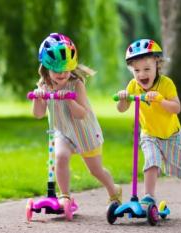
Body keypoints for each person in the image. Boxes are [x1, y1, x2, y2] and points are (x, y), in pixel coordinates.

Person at [116, 39, 181, 209]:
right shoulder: (133, 86)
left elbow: (177, 108)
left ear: (157, 65)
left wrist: (160, 100)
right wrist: (123, 98)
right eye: (136, 70)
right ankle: (149, 197)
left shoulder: (166, 84)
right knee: (151, 161)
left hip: (172, 136)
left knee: (179, 171)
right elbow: (122, 109)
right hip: (149, 134)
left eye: (146, 69)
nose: (141, 74)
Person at [32, 32, 122, 207]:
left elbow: (81, 114)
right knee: (60, 156)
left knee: (95, 170)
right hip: (63, 131)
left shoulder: (76, 84)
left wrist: (69, 99)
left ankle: (113, 189)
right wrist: (38, 98)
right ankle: (64, 196)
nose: (62, 74)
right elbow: (38, 114)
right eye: (57, 70)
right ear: (46, 67)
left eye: (66, 69)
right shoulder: (43, 85)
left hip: (84, 132)